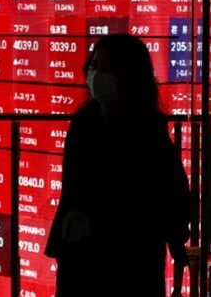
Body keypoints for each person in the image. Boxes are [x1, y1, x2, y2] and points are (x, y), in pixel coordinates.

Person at [45, 34, 191, 297]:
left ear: (128, 75)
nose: (95, 74)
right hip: (84, 256)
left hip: (131, 257)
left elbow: (168, 190)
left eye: (105, 67)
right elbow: (71, 193)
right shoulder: (84, 122)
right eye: (94, 66)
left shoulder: (147, 128)